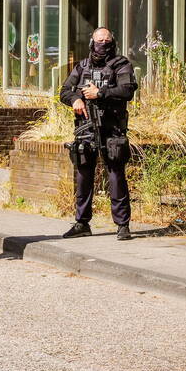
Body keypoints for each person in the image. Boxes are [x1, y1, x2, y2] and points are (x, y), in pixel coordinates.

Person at [59, 27, 137, 241]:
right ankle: (82, 223)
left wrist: (99, 93)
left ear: (113, 42)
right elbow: (64, 90)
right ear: (92, 43)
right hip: (86, 129)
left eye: (107, 40)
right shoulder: (82, 66)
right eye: (99, 40)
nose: (103, 44)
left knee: (116, 176)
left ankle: (122, 225)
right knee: (83, 176)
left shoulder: (121, 64)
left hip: (111, 128)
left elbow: (127, 90)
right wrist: (75, 99)